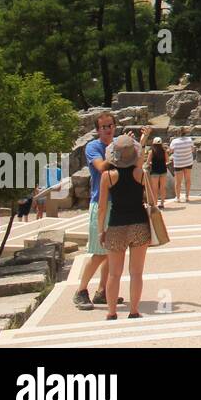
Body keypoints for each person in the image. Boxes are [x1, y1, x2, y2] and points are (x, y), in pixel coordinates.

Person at [97, 135, 156, 320]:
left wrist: (101, 230)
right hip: (139, 224)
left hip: (116, 225)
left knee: (114, 273)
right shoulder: (141, 174)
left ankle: (111, 312)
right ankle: (134, 310)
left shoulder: (108, 176)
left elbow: (102, 206)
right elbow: (152, 200)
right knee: (136, 272)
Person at [73, 113, 120, 310]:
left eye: (110, 125)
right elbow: (102, 167)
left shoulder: (118, 144)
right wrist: (121, 152)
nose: (108, 129)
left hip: (117, 204)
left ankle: (102, 292)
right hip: (100, 204)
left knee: (113, 252)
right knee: (99, 252)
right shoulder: (93, 147)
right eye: (103, 127)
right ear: (98, 130)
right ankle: (80, 291)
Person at [167, 126, 195, 203]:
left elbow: (170, 151)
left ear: (178, 133)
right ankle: (187, 196)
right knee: (188, 179)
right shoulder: (189, 140)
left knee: (178, 181)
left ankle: (178, 197)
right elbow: (192, 149)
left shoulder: (174, 141)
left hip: (178, 162)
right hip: (188, 162)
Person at [146, 139, 169, 209]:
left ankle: (155, 203)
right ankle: (162, 203)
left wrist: (151, 164)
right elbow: (167, 160)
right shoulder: (164, 151)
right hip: (163, 170)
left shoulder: (152, 152)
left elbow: (148, 162)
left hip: (155, 171)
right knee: (162, 187)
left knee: (154, 188)